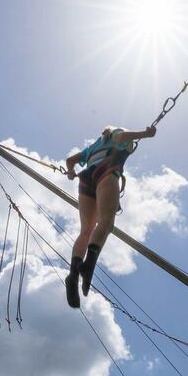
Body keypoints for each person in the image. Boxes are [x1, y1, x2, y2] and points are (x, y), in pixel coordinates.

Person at [64, 125, 156, 307]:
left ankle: (73, 274)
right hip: (105, 172)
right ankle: (88, 265)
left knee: (86, 230)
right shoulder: (116, 135)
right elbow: (122, 137)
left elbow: (70, 160)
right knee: (106, 223)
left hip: (85, 180)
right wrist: (145, 134)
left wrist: (71, 171)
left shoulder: (93, 147)